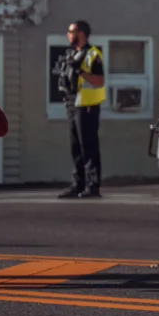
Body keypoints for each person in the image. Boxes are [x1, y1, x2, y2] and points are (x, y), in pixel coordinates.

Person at [55, 20, 105, 199]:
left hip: (88, 106)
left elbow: (99, 81)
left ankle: (93, 186)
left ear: (81, 33)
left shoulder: (93, 54)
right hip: (72, 104)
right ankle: (78, 185)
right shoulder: (71, 54)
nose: (68, 34)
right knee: (75, 147)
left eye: (71, 31)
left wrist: (80, 72)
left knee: (88, 146)